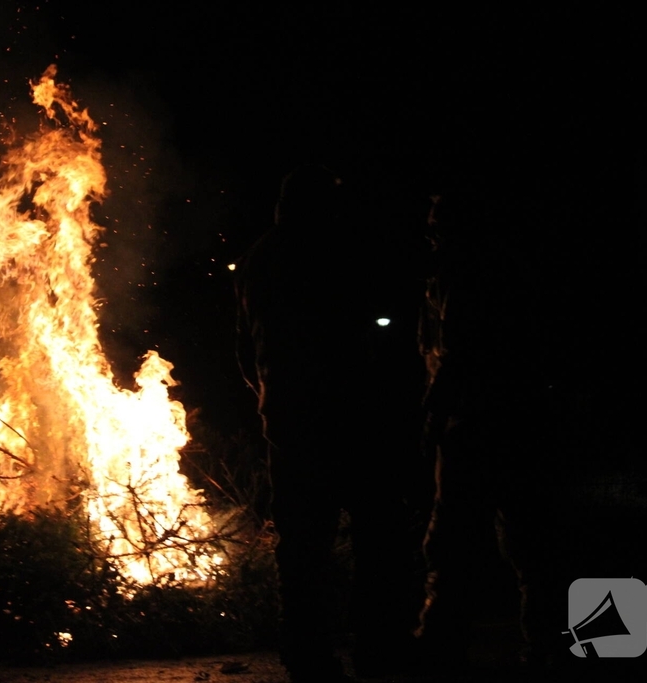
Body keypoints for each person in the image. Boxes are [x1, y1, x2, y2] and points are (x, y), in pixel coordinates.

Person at [234, 164, 426, 681]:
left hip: (291, 422)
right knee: (377, 535)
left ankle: (307, 653)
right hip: (352, 418)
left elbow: (244, 347)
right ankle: (378, 647)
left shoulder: (259, 258)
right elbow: (368, 333)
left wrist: (271, 400)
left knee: (302, 545)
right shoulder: (338, 251)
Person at [413, 192, 564, 669]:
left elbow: (456, 354)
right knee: (526, 538)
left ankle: (443, 642)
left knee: (456, 539)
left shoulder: (466, 274)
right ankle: (545, 642)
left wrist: (432, 419)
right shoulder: (487, 270)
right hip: (508, 421)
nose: (431, 235)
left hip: (480, 423)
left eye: (438, 226)